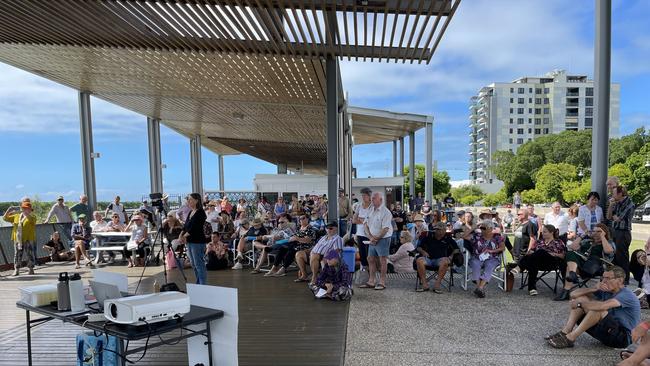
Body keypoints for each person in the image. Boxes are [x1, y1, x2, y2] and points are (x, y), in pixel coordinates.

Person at [546, 266, 640, 349]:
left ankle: (570, 338)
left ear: (619, 280)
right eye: (603, 277)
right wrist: (594, 288)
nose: (603, 281)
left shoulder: (627, 295)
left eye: (608, 278)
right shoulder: (606, 290)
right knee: (582, 299)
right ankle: (565, 332)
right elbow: (573, 294)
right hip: (609, 331)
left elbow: (603, 306)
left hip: (623, 338)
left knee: (598, 309)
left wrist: (579, 305)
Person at [555, 223, 616, 301]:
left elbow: (609, 251)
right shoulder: (587, 241)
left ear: (604, 233)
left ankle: (566, 290)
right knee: (570, 254)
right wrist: (582, 235)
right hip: (580, 265)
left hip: (593, 267)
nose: (595, 233)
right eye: (594, 231)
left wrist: (603, 237)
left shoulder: (609, 242)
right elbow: (572, 247)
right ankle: (572, 275)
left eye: (598, 231)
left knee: (569, 265)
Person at [511, 224, 566, 296]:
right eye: (542, 232)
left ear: (551, 232)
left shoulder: (558, 242)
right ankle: (532, 289)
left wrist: (553, 254)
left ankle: (520, 267)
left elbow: (563, 256)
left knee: (541, 251)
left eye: (545, 232)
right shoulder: (539, 242)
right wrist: (530, 252)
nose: (542, 233)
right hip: (538, 263)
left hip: (551, 263)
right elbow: (531, 252)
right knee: (533, 261)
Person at [462, 219, 505, 298]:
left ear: (491, 229)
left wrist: (491, 251)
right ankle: (480, 288)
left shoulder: (497, 237)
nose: (481, 230)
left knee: (489, 265)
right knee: (475, 264)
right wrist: (473, 227)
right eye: (481, 228)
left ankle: (479, 288)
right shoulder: (477, 236)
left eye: (484, 228)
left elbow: (502, 248)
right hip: (477, 257)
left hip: (492, 258)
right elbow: (464, 236)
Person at [359, 192, 393, 291]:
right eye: (372, 198)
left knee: (382, 260)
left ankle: (382, 282)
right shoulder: (370, 209)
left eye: (374, 198)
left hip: (383, 238)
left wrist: (375, 238)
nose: (372, 200)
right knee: (370, 258)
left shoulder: (386, 212)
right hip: (372, 238)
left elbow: (385, 229)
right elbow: (365, 224)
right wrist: (370, 237)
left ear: (381, 200)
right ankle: (371, 281)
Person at [267, 214, 316, 279]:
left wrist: (297, 239)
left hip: (304, 246)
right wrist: (292, 238)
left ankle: (283, 269)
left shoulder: (310, 229)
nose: (301, 220)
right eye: (300, 218)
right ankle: (274, 268)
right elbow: (293, 236)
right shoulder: (299, 228)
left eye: (303, 218)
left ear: (307, 219)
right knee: (282, 248)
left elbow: (309, 240)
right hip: (294, 244)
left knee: (292, 250)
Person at [415, 222, 458, 293]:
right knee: (419, 260)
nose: (438, 231)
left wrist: (451, 256)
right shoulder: (428, 236)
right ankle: (425, 284)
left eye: (440, 230)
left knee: (445, 261)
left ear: (444, 230)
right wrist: (423, 252)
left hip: (440, 260)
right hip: (428, 259)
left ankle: (437, 285)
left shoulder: (448, 238)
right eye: (437, 229)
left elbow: (456, 249)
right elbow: (419, 247)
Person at [178, 193, 208, 284]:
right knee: (193, 264)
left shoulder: (200, 212)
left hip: (198, 241)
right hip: (190, 241)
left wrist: (184, 236)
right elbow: (186, 225)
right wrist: (181, 234)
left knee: (199, 264)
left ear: (196, 200)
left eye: (190, 199)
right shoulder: (191, 212)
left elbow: (195, 227)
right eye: (188, 199)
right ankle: (198, 282)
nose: (188, 201)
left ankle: (202, 283)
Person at [608, 185, 635, 284]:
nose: (612, 195)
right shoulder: (616, 203)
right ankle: (616, 278)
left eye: (614, 193)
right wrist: (611, 206)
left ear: (620, 194)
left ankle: (625, 280)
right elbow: (609, 216)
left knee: (622, 257)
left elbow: (618, 218)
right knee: (614, 256)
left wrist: (615, 215)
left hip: (623, 233)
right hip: (615, 231)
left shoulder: (630, 204)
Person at [4, 201, 37, 276]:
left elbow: (32, 221)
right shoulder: (17, 216)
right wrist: (9, 210)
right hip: (18, 239)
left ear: (30, 209)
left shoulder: (33, 216)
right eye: (24, 208)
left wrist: (27, 214)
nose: (26, 209)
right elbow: (5, 218)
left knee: (30, 254)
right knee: (17, 255)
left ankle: (31, 269)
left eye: (28, 208)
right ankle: (16, 269)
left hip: (28, 238)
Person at [308, 221, 344, 285]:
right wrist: (312, 252)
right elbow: (316, 246)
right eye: (327, 228)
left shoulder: (337, 238)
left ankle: (315, 277)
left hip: (330, 256)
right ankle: (316, 277)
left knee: (317, 258)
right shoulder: (324, 237)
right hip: (317, 255)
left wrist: (326, 257)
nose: (328, 230)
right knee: (312, 255)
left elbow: (337, 251)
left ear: (336, 229)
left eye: (331, 228)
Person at [353, 187, 373, 271]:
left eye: (365, 195)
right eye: (362, 196)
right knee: (362, 255)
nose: (363, 197)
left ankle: (371, 273)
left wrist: (361, 219)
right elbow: (354, 220)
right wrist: (364, 220)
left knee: (370, 255)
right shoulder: (359, 206)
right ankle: (365, 272)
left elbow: (372, 221)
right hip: (360, 233)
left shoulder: (373, 206)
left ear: (369, 196)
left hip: (370, 234)